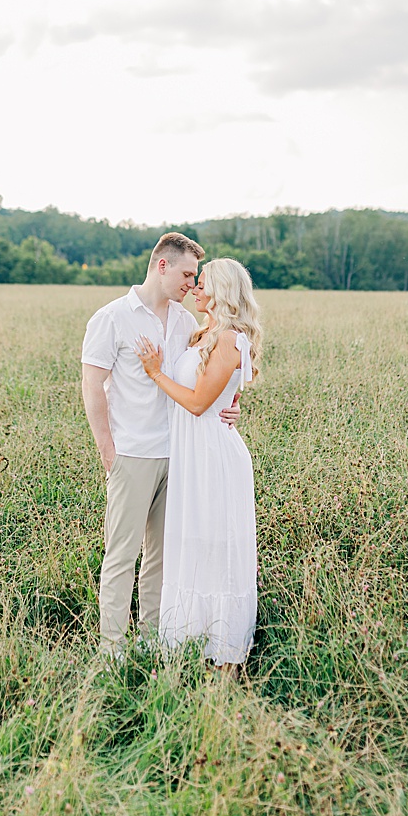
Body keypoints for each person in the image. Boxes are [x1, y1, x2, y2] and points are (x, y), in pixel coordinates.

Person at [80, 233, 237, 655]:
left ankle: (152, 641)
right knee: (121, 556)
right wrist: (107, 451)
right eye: (187, 274)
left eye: (196, 276)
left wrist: (231, 405)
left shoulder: (187, 323)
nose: (192, 283)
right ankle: (112, 650)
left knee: (162, 558)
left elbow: (208, 376)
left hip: (180, 455)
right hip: (132, 454)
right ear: (162, 266)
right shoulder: (112, 318)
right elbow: (92, 387)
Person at [135, 258, 263, 670]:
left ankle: (223, 657)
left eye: (202, 283)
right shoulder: (201, 332)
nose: (194, 288)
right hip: (192, 455)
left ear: (222, 291)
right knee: (192, 544)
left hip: (213, 458)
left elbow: (196, 403)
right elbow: (222, 393)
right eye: (194, 280)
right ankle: (190, 643)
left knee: (215, 549)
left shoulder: (228, 338)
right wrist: (232, 403)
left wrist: (155, 373)